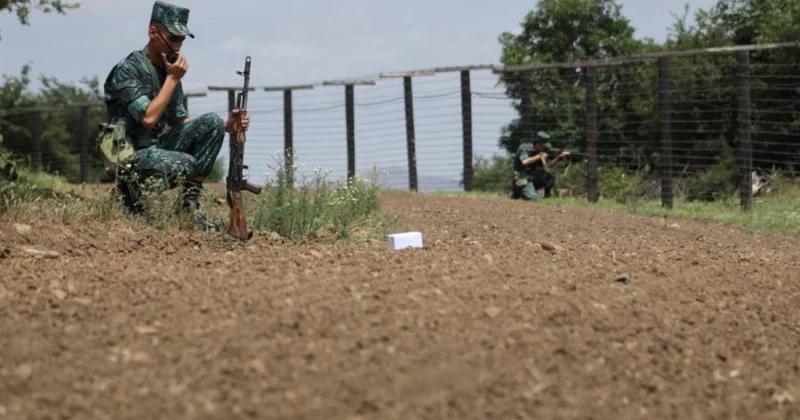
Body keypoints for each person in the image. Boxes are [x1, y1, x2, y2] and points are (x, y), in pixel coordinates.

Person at [101, 0, 249, 232]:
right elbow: (148, 119)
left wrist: (227, 125)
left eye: (181, 40)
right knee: (187, 163)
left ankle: (187, 209)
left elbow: (180, 121)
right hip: (130, 155)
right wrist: (172, 79)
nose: (178, 46)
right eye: (173, 38)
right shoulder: (128, 69)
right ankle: (126, 193)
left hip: (156, 147)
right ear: (153, 32)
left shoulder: (167, 69)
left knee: (212, 123)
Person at [511, 131, 571, 201]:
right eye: (543, 146)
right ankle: (518, 192)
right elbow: (524, 162)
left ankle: (547, 197)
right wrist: (540, 156)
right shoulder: (524, 147)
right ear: (537, 144)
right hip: (522, 178)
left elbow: (548, 166)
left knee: (550, 174)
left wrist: (559, 158)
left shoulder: (540, 152)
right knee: (533, 199)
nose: (544, 149)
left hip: (532, 178)